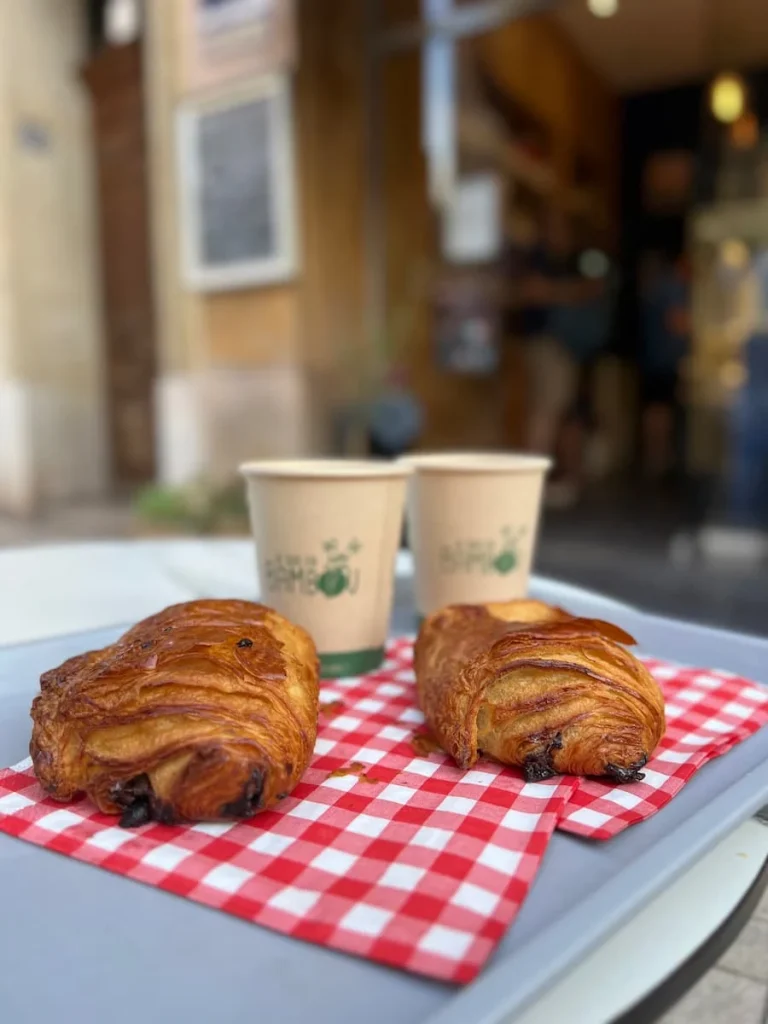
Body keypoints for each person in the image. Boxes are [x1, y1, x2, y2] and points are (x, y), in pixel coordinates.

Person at [639, 252, 691, 480]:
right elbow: (677, 323)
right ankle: (658, 462)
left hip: (657, 358)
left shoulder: (661, 286)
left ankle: (657, 461)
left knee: (658, 410)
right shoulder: (671, 287)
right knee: (660, 411)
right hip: (664, 360)